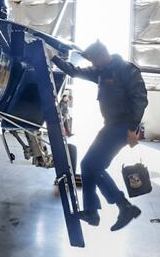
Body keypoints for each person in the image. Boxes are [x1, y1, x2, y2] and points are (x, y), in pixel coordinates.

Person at [51, 41, 148, 231]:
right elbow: (74, 71)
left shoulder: (126, 70)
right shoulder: (101, 71)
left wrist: (132, 128)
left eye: (94, 60)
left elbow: (141, 99)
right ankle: (93, 211)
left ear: (103, 54)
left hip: (122, 126)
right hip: (110, 126)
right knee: (88, 166)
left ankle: (122, 206)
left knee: (92, 166)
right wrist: (53, 57)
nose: (93, 65)